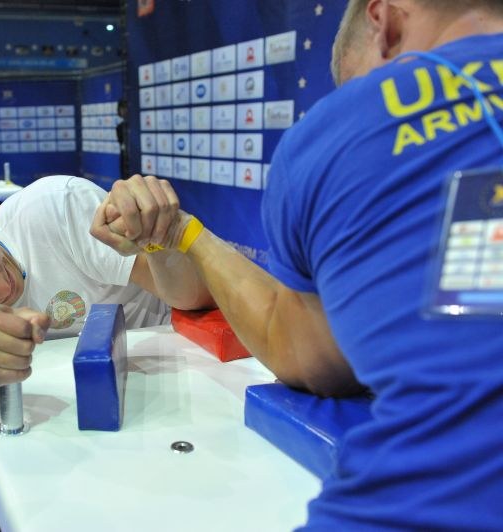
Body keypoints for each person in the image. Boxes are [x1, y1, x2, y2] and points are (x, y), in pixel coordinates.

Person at [92, 1, 503, 529]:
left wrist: (185, 233)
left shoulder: (340, 129)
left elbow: (311, 360)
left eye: (357, 83)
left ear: (386, 22)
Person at [0, 175, 213, 450]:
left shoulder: (54, 209)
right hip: (79, 428)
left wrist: (157, 240)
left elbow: (196, 295)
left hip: (177, 376)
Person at [116, 98, 128, 179]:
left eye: (125, 107)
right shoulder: (119, 127)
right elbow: (121, 144)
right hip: (124, 158)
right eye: (121, 108)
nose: (123, 110)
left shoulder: (137, 126)